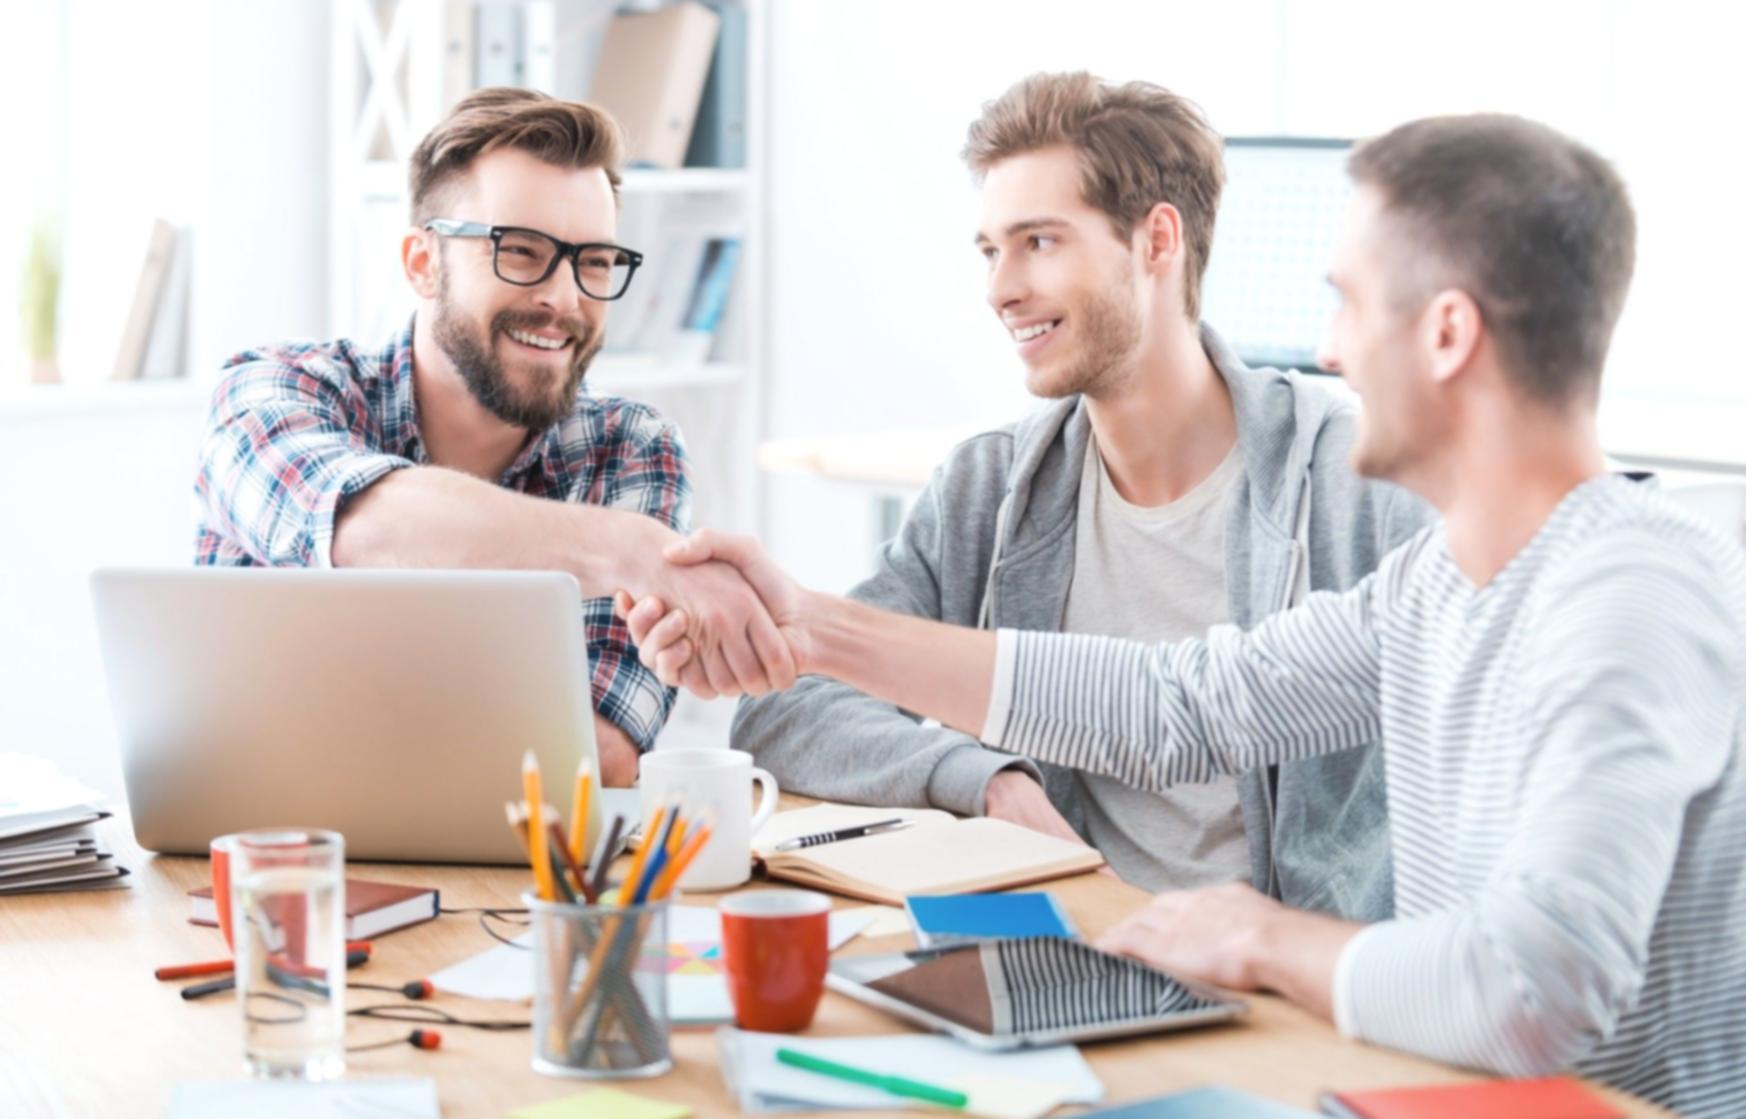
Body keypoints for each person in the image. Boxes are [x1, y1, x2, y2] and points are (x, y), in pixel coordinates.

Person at [621, 113, 1746, 1115]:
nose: (1327, 348)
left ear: (1448, 335)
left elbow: (1531, 989)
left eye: (1349, 302)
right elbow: (1186, 705)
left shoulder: (1629, 596)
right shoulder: (1440, 583)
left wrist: (1254, 934)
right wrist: (811, 626)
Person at [733, 73, 1430, 916]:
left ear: (1157, 241)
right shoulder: (990, 488)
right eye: (991, 250)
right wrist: (984, 781)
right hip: (1068, 940)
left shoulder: (1358, 490)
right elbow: (784, 706)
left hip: (1285, 982)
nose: (1000, 289)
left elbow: (1182, 711)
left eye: (1040, 242)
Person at [193, 88, 793, 785]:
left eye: (593, 262)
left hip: (510, 881)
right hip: (266, 856)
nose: (565, 300)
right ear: (422, 262)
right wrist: (630, 552)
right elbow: (355, 524)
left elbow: (599, 753)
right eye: (522, 251)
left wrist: (328, 735)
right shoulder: (272, 390)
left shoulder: (632, 449)